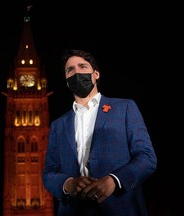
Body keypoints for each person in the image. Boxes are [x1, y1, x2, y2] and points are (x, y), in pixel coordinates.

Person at [42, 49, 157, 216]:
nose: (77, 72)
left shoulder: (124, 108)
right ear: (67, 80)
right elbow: (49, 173)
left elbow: (147, 157)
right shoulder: (58, 125)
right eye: (70, 70)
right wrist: (67, 184)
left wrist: (114, 181)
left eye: (82, 66)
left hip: (121, 208)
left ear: (96, 74)